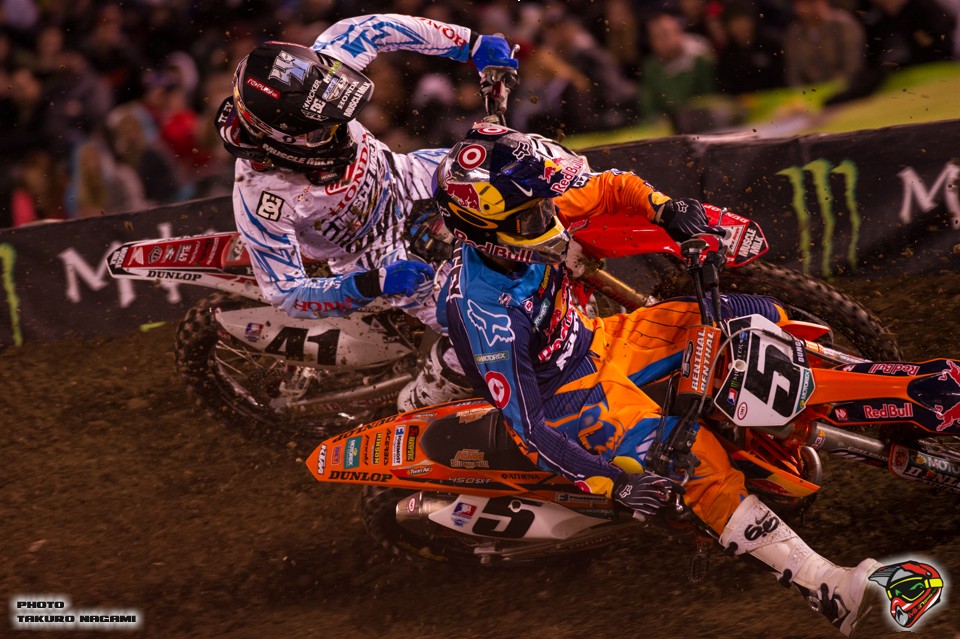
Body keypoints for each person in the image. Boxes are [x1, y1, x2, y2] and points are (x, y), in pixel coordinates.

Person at [435, 123, 882, 636]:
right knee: (698, 464)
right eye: (533, 215)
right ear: (486, 231)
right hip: (567, 398)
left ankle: (873, 388)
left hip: (599, 338)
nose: (550, 216)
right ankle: (827, 586)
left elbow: (610, 186)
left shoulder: (529, 209)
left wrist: (666, 209)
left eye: (544, 205)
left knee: (754, 313)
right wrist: (616, 482)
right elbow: (529, 427)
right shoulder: (483, 312)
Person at [214, 14, 519, 412]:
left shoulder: (317, 79)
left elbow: (377, 29)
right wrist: (374, 283)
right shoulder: (261, 198)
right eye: (321, 130)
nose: (340, 128)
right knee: (490, 332)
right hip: (378, 253)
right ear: (281, 142)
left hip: (412, 176)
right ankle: (419, 401)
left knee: (527, 164)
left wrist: (470, 43)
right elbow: (286, 293)